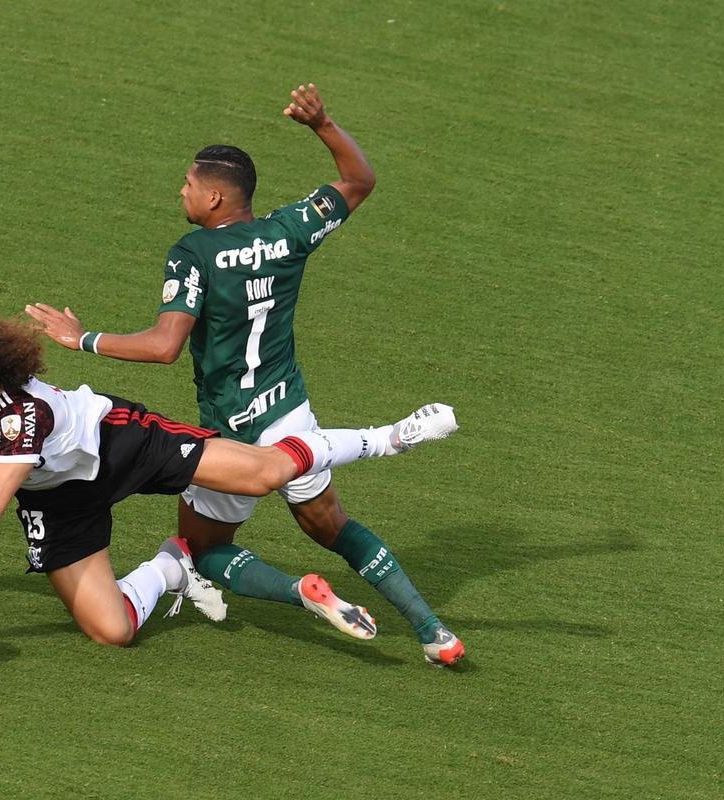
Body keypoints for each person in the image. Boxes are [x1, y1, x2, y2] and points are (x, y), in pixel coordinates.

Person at [26, 83, 465, 665]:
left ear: (213, 198)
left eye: (187, 184)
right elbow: (360, 180)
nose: (179, 191)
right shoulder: (288, 233)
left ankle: (297, 589)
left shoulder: (194, 253)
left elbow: (164, 346)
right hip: (291, 414)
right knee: (332, 525)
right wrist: (323, 123)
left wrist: (80, 338)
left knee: (200, 550)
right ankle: (435, 632)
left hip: (229, 431)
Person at [0, 304, 385, 647]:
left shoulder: (22, 412)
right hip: (57, 498)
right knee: (110, 631)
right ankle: (175, 564)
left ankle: (387, 437)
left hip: (117, 443)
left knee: (259, 474)